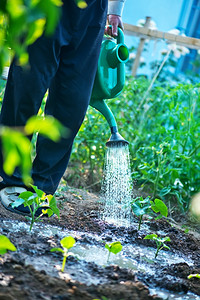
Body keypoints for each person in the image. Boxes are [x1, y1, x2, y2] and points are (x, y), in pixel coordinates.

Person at [0, 0, 126, 215]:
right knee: (26, 90)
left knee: (72, 103)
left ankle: (42, 188)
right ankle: (11, 178)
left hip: (93, 11)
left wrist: (115, 11)